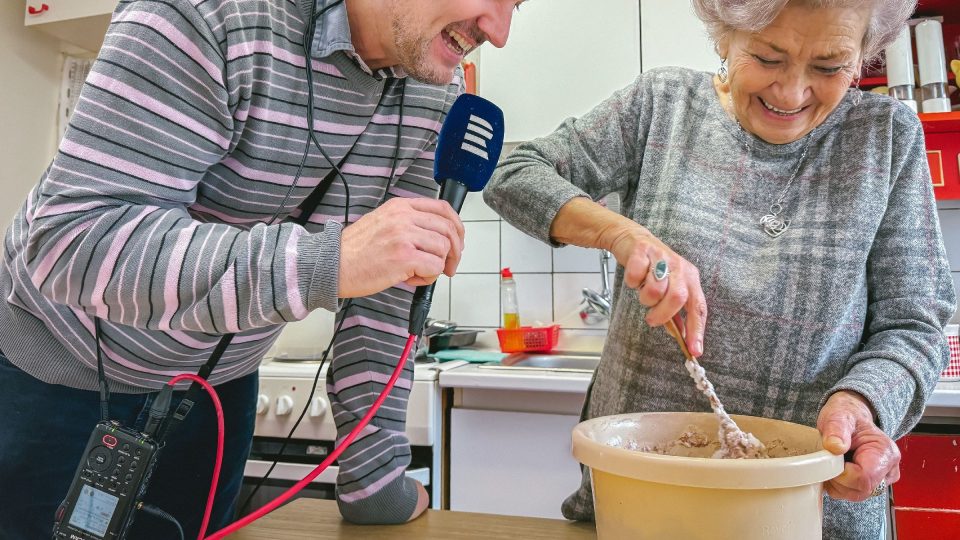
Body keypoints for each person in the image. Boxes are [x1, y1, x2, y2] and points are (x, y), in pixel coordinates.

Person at [0, 0, 524, 538]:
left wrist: (374, 475)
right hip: (56, 373)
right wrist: (330, 261)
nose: (500, 32)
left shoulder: (437, 93)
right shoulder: (210, 13)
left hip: (215, 388)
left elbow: (389, 289)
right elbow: (73, 241)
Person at [484, 0, 956, 537]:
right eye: (768, 58)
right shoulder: (663, 105)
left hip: (812, 511)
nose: (791, 92)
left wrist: (861, 403)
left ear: (862, 57)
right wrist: (623, 233)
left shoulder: (887, 138)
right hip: (643, 501)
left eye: (829, 68)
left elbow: (914, 326)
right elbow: (515, 173)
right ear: (725, 35)